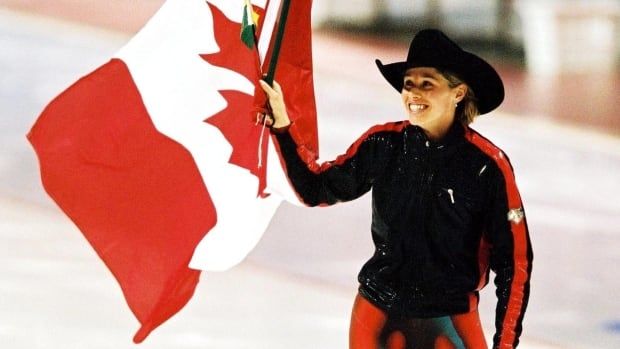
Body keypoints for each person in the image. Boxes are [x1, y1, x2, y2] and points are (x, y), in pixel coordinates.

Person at [259, 29, 533, 349]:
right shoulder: (383, 145)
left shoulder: (487, 166)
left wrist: (505, 345)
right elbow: (315, 188)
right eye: (408, 84)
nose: (413, 95)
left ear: (458, 93)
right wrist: (282, 128)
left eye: (427, 84)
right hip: (378, 318)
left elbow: (515, 264)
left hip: (450, 322)